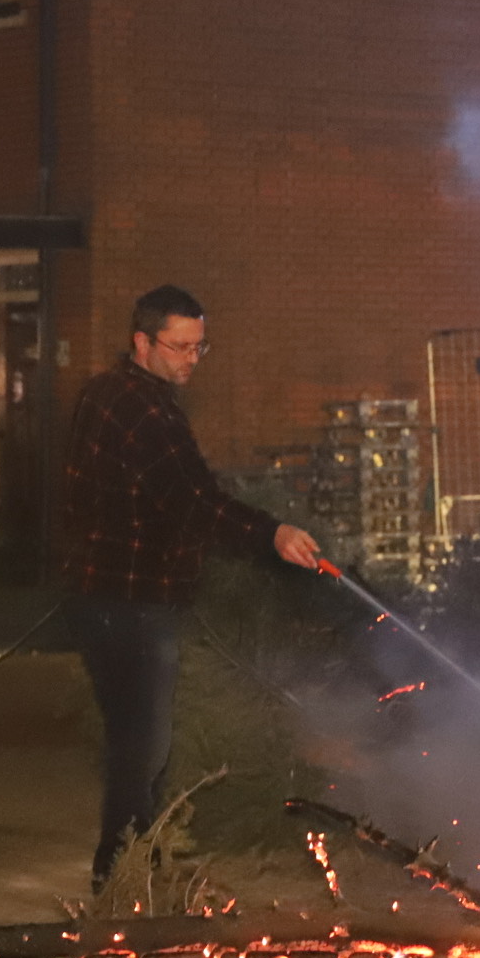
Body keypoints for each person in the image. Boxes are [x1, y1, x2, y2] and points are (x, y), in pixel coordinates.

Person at [60, 284, 320, 883]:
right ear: (141, 341)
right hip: (130, 599)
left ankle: (129, 865)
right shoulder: (144, 410)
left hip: (100, 592)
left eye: (199, 348)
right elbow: (193, 502)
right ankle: (123, 871)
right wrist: (271, 534)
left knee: (134, 738)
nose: (189, 361)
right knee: (142, 742)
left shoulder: (106, 392)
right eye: (179, 347)